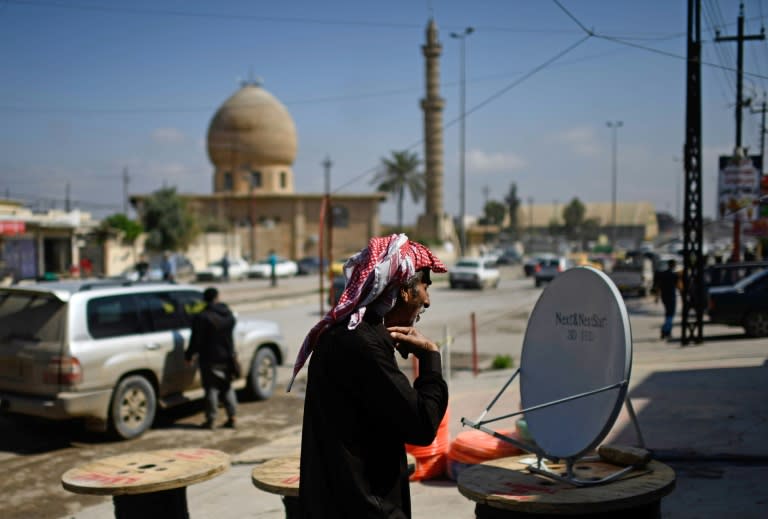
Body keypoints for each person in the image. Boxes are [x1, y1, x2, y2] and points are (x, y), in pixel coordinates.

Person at [289, 233, 449, 518]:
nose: (427, 300)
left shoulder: (344, 335)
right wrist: (430, 357)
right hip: (365, 508)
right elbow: (423, 424)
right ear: (404, 291)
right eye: (425, 287)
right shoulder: (365, 346)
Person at [184, 287, 239, 430]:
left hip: (210, 358)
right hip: (228, 357)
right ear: (218, 297)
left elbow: (195, 340)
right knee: (226, 387)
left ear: (204, 299)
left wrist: (189, 355)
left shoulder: (202, 317)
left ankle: (211, 420)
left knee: (211, 389)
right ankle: (232, 417)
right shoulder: (229, 315)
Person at [653, 259, 681, 340]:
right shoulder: (674, 275)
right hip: (671, 296)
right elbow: (679, 286)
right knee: (670, 314)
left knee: (668, 313)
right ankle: (666, 330)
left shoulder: (663, 274)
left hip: (664, 296)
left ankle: (667, 330)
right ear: (673, 265)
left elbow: (658, 286)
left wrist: (657, 297)